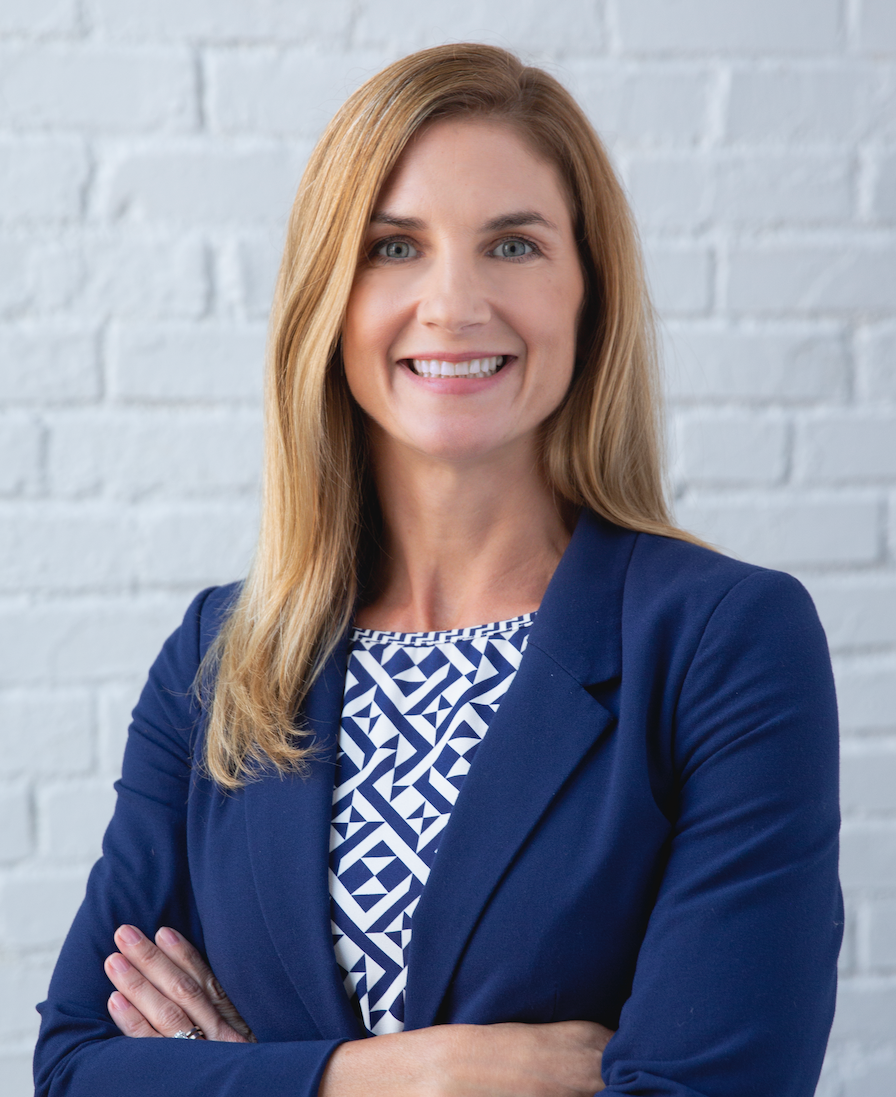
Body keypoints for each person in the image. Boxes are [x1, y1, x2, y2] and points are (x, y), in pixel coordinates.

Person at [33, 43, 841, 1097]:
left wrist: (248, 1076)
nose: (452, 304)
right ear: (329, 295)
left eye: (512, 244)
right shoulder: (222, 657)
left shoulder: (724, 641)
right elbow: (76, 1066)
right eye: (393, 247)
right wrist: (414, 1073)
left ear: (587, 293)